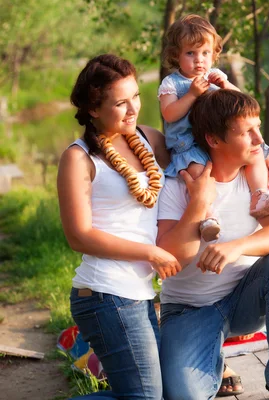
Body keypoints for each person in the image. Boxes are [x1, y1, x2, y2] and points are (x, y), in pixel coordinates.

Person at [156, 89, 269, 400]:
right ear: (214, 140)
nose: (260, 139)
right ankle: (213, 364)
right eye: (247, 132)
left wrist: (235, 247)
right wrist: (199, 203)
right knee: (181, 396)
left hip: (245, 300)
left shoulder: (260, 178)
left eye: (258, 127)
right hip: (188, 310)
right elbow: (168, 258)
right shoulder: (178, 184)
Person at [57, 54, 181, 399]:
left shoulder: (150, 140)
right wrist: (149, 251)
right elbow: (78, 236)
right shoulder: (79, 158)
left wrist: (264, 156)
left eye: (136, 97)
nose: (133, 109)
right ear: (93, 109)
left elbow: (197, 155)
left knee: (165, 393)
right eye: (120, 103)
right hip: (103, 292)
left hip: (139, 293)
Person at [159, 14, 269, 242]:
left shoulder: (214, 77)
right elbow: (169, 114)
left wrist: (225, 85)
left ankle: (260, 195)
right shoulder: (172, 83)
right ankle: (207, 216)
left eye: (205, 53)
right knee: (199, 175)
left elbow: (243, 107)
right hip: (188, 145)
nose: (199, 60)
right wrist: (191, 94)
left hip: (218, 142)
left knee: (256, 157)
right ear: (175, 55)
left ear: (214, 54)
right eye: (190, 53)